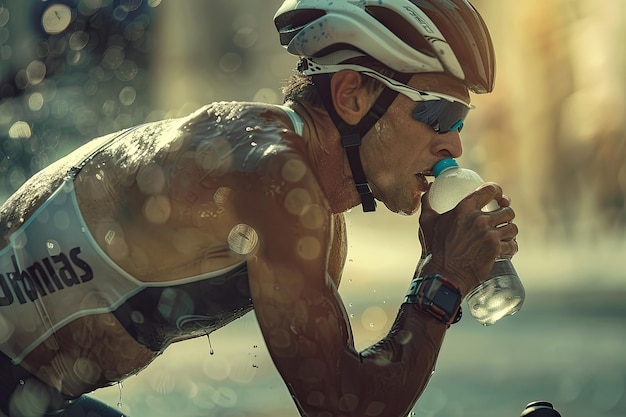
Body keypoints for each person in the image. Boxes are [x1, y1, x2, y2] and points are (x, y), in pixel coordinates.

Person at [0, 0, 519, 416]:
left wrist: (445, 267)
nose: (453, 146)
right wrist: (442, 278)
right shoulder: (271, 174)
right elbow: (345, 410)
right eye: (438, 115)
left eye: (460, 123)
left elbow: (350, 390)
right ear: (352, 95)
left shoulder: (317, 211)